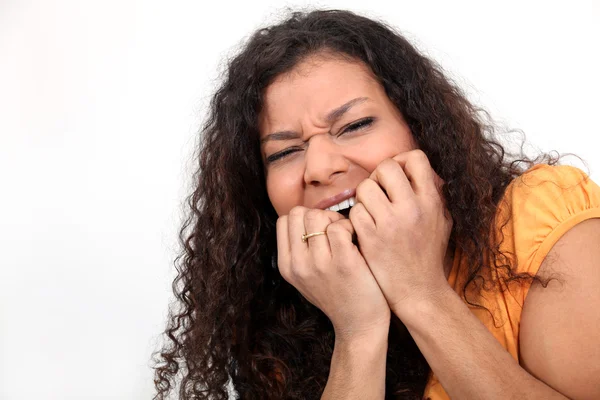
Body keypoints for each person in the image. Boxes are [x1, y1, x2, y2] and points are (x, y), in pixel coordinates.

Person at [152, 9, 600, 400]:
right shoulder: (277, 317)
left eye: (356, 124)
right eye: (284, 152)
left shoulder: (540, 215)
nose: (320, 168)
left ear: (420, 130)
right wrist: (358, 331)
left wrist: (419, 291)